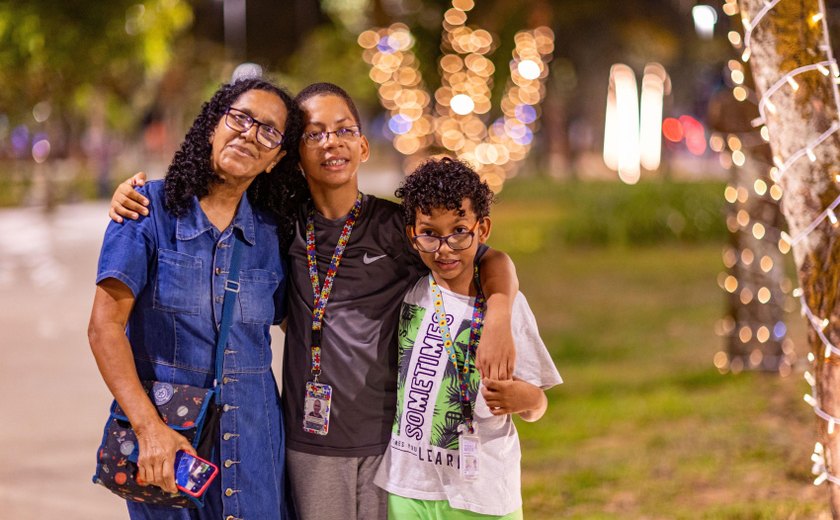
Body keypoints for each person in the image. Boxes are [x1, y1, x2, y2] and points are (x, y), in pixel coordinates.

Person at [108, 82, 518, 520]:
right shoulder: (279, 227)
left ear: (362, 145)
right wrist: (130, 197)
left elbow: (488, 258)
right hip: (308, 446)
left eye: (343, 130)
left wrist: (499, 315)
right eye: (314, 133)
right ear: (294, 154)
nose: (331, 143)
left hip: (389, 442)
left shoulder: (396, 228)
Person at [88, 77, 303, 519]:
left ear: (275, 158)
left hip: (255, 447)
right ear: (212, 125)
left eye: (268, 131)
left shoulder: (272, 234)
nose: (249, 134)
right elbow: (104, 328)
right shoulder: (145, 211)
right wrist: (148, 430)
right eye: (240, 118)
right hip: (168, 447)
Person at [374, 157, 562, 519]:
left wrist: (526, 399)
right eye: (430, 233)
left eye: (459, 230)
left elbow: (537, 404)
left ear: (482, 228)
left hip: (482, 494)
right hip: (407, 485)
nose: (445, 248)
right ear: (413, 236)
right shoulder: (411, 291)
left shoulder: (506, 308)